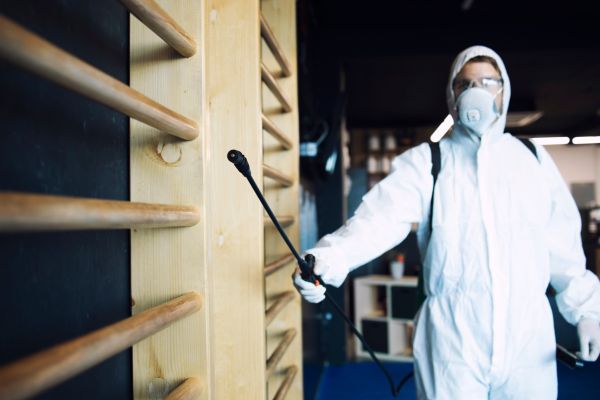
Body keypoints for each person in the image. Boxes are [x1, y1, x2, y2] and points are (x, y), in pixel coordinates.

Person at [293, 45, 600, 399]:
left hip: (528, 341)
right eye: (465, 84)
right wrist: (327, 261)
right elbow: (377, 220)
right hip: (453, 342)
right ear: (452, 95)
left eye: (488, 82)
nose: (477, 92)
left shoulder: (532, 159)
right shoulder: (428, 162)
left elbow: (562, 245)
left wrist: (586, 312)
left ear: (504, 90)